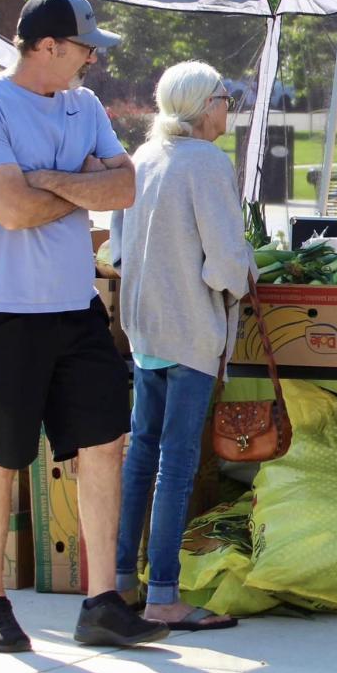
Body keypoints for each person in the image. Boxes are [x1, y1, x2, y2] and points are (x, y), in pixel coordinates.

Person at [0, 0, 166, 653]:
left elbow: (126, 188)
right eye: (83, 47)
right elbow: (10, 210)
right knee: (1, 458)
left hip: (77, 310)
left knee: (104, 446)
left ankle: (101, 600)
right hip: (5, 316)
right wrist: (77, 184)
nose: (92, 58)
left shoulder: (84, 104)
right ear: (46, 47)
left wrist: (46, 178)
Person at [115, 62, 256, 631]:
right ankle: (165, 594)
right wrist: (243, 276)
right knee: (177, 461)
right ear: (203, 106)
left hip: (145, 326)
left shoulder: (142, 158)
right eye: (224, 99)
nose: (228, 108)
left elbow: (119, 249)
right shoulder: (205, 162)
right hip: (191, 329)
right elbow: (225, 258)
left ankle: (123, 579)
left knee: (142, 454)